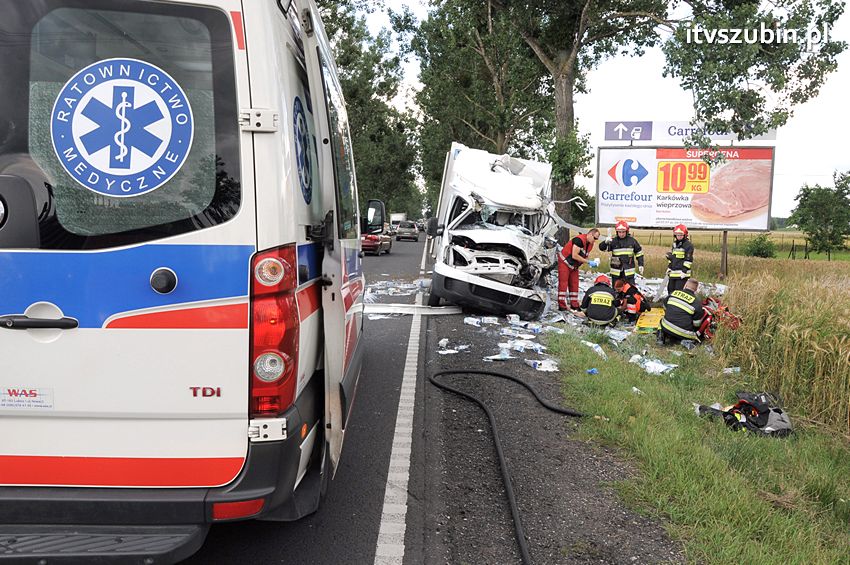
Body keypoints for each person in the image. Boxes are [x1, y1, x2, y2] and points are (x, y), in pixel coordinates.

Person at [557, 227, 600, 312]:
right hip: (565, 262)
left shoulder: (590, 244)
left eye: (597, 239)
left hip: (574, 266)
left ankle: (574, 304)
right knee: (563, 284)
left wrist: (590, 262)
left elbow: (584, 255)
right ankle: (562, 305)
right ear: (590, 234)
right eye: (594, 238)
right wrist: (588, 262)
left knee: (574, 284)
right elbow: (574, 255)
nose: (595, 240)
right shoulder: (579, 240)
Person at [598, 220, 644, 286]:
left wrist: (641, 264)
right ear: (617, 232)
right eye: (619, 232)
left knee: (630, 290)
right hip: (616, 273)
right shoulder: (613, 241)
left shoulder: (632, 241)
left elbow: (639, 253)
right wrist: (605, 242)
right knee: (616, 290)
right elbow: (602, 248)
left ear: (627, 231)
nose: (621, 234)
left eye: (623, 232)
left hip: (628, 272)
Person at [658, 279, 705, 344]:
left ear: (685, 285)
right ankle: (682, 341)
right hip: (683, 334)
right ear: (696, 290)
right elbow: (697, 324)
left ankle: (660, 337)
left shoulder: (674, 293)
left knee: (661, 321)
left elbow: (665, 306)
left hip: (666, 327)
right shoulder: (697, 302)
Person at [666, 224, 694, 295]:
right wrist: (669, 267)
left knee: (678, 292)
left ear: (685, 235)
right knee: (670, 290)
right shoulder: (674, 244)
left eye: (681, 235)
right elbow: (673, 257)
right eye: (677, 235)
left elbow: (688, 259)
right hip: (673, 273)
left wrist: (684, 271)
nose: (679, 236)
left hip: (682, 274)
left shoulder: (688, 245)